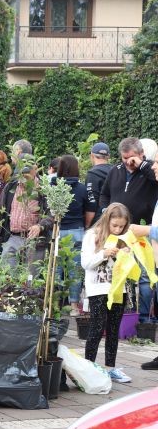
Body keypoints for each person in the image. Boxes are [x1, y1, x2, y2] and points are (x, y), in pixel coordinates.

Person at [99, 137, 158, 324]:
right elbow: (104, 194)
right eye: (124, 158)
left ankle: (144, 319)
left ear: (141, 154)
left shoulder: (150, 170)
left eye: (131, 157)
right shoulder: (115, 170)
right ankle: (119, 315)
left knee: (144, 275)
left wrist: (141, 165)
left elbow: (155, 179)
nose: (127, 162)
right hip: (117, 231)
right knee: (117, 271)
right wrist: (105, 211)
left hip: (141, 230)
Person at [81, 202, 132, 384]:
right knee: (96, 327)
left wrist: (126, 254)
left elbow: (129, 267)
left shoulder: (125, 237)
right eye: (115, 225)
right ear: (106, 220)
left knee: (113, 329)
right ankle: (88, 368)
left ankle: (110, 368)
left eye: (122, 226)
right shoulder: (92, 235)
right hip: (98, 289)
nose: (118, 230)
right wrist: (104, 253)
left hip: (118, 288)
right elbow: (86, 263)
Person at [0, 159, 53, 273]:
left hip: (34, 240)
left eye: (27, 175)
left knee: (30, 277)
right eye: (22, 175)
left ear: (34, 171)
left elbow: (51, 215)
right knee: (7, 275)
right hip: (13, 237)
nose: (24, 179)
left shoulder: (44, 189)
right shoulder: (11, 187)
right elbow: (0, 213)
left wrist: (40, 226)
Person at [56, 155, 92, 316]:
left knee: (56, 269)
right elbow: (89, 211)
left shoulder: (53, 186)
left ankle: (55, 304)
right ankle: (74, 306)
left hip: (58, 232)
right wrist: (85, 226)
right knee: (75, 270)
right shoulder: (82, 189)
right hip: (76, 231)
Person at [85, 142, 112, 226]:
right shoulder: (115, 171)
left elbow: (92, 201)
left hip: (99, 221)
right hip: (114, 217)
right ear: (108, 156)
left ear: (92, 155)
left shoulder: (93, 174)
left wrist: (87, 225)